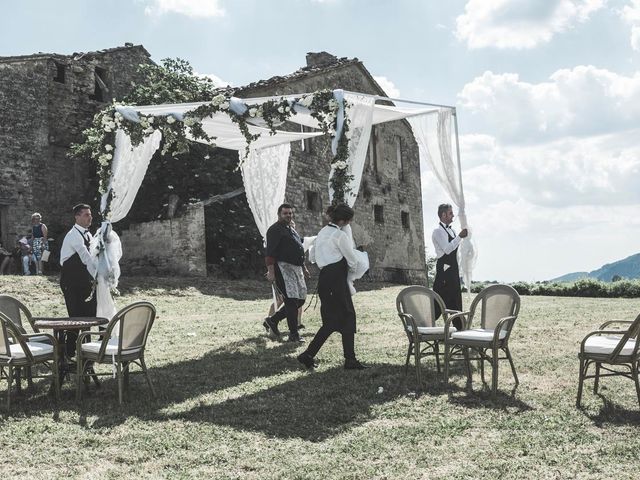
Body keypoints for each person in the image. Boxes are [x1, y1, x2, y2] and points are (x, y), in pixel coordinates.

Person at [297, 204, 369, 370]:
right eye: (349, 220)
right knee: (347, 316)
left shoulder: (322, 232)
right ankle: (347, 359)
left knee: (333, 320)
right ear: (343, 220)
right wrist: (354, 273)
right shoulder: (339, 235)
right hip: (336, 280)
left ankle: (310, 355)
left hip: (324, 279)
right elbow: (352, 260)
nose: (349, 223)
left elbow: (313, 257)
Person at [263, 203, 308, 343]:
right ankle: (293, 334)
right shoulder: (274, 230)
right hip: (283, 268)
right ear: (279, 214)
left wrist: (304, 267)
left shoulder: (291, 229)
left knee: (301, 299)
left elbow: (298, 248)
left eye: (290, 213)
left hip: (296, 268)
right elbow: (270, 253)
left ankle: (273, 320)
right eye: (285, 213)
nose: (288, 215)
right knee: (290, 300)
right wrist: (271, 272)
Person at [59, 203, 97, 357]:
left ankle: (86, 349)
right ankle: (68, 352)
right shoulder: (73, 235)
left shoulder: (88, 234)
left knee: (87, 315)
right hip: (71, 282)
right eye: (86, 215)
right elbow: (86, 258)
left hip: (83, 282)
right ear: (77, 217)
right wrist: (98, 275)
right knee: (75, 318)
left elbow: (93, 255)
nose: (90, 217)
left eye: (90, 214)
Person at [431, 203, 468, 329]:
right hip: (444, 272)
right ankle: (424, 326)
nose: (453, 215)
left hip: (453, 270)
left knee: (456, 301)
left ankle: (461, 331)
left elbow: (455, 251)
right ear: (443, 215)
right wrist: (459, 237)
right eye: (450, 213)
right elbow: (447, 249)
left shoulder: (452, 230)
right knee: (437, 302)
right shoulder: (437, 232)